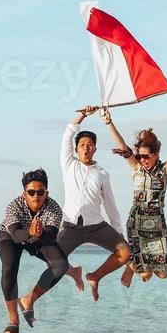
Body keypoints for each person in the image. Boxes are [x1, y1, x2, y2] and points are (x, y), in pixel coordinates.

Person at [100, 110, 167, 285]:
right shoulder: (137, 168)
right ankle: (132, 267)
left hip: (157, 224)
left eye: (146, 156)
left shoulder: (165, 171)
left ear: (156, 154)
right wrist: (109, 122)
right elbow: (123, 146)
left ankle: (135, 266)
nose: (142, 159)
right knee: (145, 274)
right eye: (139, 156)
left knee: (163, 275)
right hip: (137, 221)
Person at [0, 169, 80, 333]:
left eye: (40, 192)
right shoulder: (14, 206)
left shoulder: (54, 208)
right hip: (12, 236)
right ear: (24, 193)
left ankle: (28, 299)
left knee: (61, 265)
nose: (36, 196)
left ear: (46, 193)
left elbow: (50, 239)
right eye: (31, 192)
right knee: (9, 268)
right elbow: (16, 236)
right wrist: (30, 230)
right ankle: (13, 321)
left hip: (39, 236)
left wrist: (39, 234)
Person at [59, 107, 132, 301]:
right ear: (76, 149)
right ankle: (74, 273)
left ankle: (95, 276)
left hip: (96, 226)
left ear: (95, 149)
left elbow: (110, 205)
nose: (86, 147)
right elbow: (68, 135)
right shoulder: (69, 164)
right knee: (53, 261)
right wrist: (82, 115)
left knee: (124, 252)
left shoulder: (102, 174)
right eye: (82, 144)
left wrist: (119, 233)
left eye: (90, 144)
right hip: (71, 226)